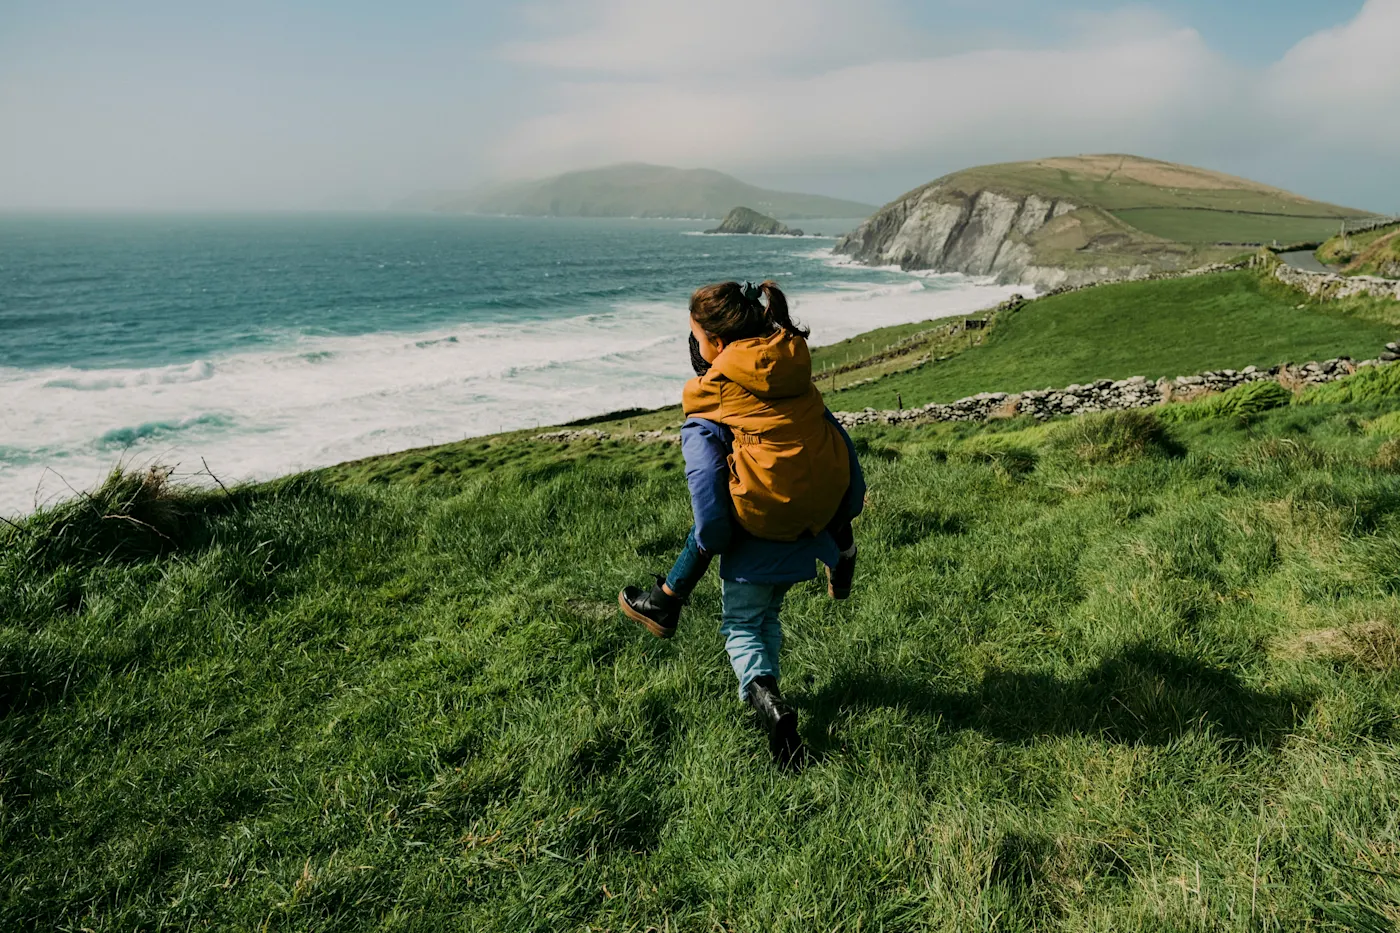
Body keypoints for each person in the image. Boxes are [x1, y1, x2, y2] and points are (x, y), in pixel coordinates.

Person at [618, 280, 864, 767]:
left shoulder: (712, 398)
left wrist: (711, 542)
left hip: (759, 526)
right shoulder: (794, 371)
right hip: (813, 520)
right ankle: (839, 565)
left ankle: (766, 701)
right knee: (767, 614)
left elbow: (708, 501)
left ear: (714, 343)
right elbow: (839, 443)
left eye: (694, 335)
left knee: (745, 623)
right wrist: (845, 515)